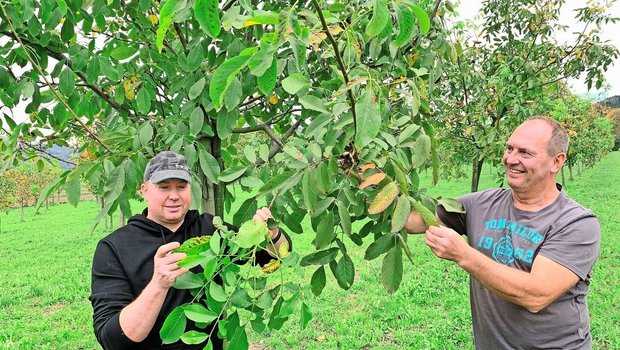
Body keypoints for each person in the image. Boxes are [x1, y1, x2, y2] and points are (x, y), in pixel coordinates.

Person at [405, 116, 601, 349]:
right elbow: (412, 222)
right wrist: (371, 175)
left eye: (525, 153)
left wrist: (463, 255)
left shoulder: (576, 223)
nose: (511, 159)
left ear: (556, 162)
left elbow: (536, 295)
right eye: (509, 148)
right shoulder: (481, 203)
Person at [89, 151, 291, 350]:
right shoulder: (114, 247)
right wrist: (158, 285)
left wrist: (270, 234)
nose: (174, 196)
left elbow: (270, 257)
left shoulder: (211, 229)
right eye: (164, 187)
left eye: (181, 187)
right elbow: (113, 340)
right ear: (144, 190)